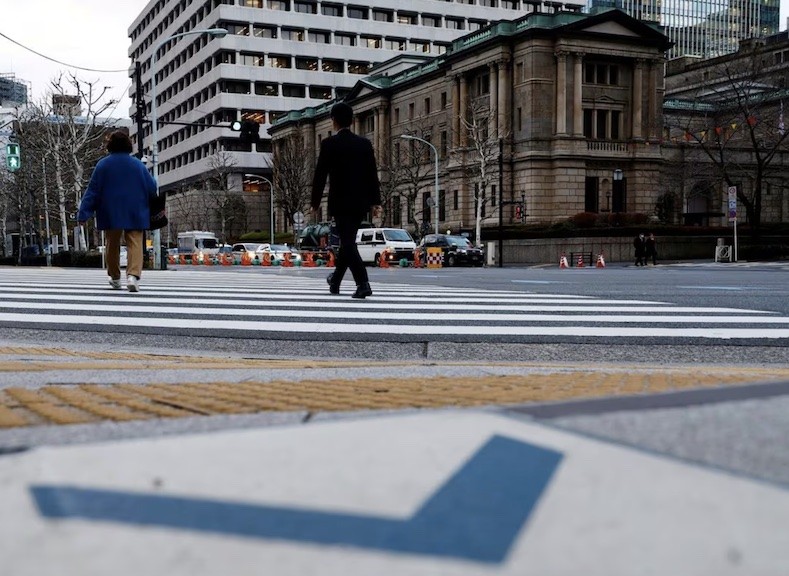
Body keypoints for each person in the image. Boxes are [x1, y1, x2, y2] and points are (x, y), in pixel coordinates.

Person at [311, 102, 382, 299]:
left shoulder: (329, 144)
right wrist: (376, 202)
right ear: (351, 120)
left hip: (340, 202)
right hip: (361, 203)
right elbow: (372, 174)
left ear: (333, 120)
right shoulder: (364, 144)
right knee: (347, 242)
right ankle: (335, 280)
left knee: (348, 243)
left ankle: (363, 283)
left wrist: (315, 202)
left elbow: (320, 175)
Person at [78, 131, 157, 292]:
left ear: (110, 146)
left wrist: (84, 213)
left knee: (112, 244)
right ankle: (133, 276)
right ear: (128, 145)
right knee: (135, 242)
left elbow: (93, 191)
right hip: (135, 209)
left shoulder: (103, 165)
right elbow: (152, 187)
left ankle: (114, 277)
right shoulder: (138, 165)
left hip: (110, 210)